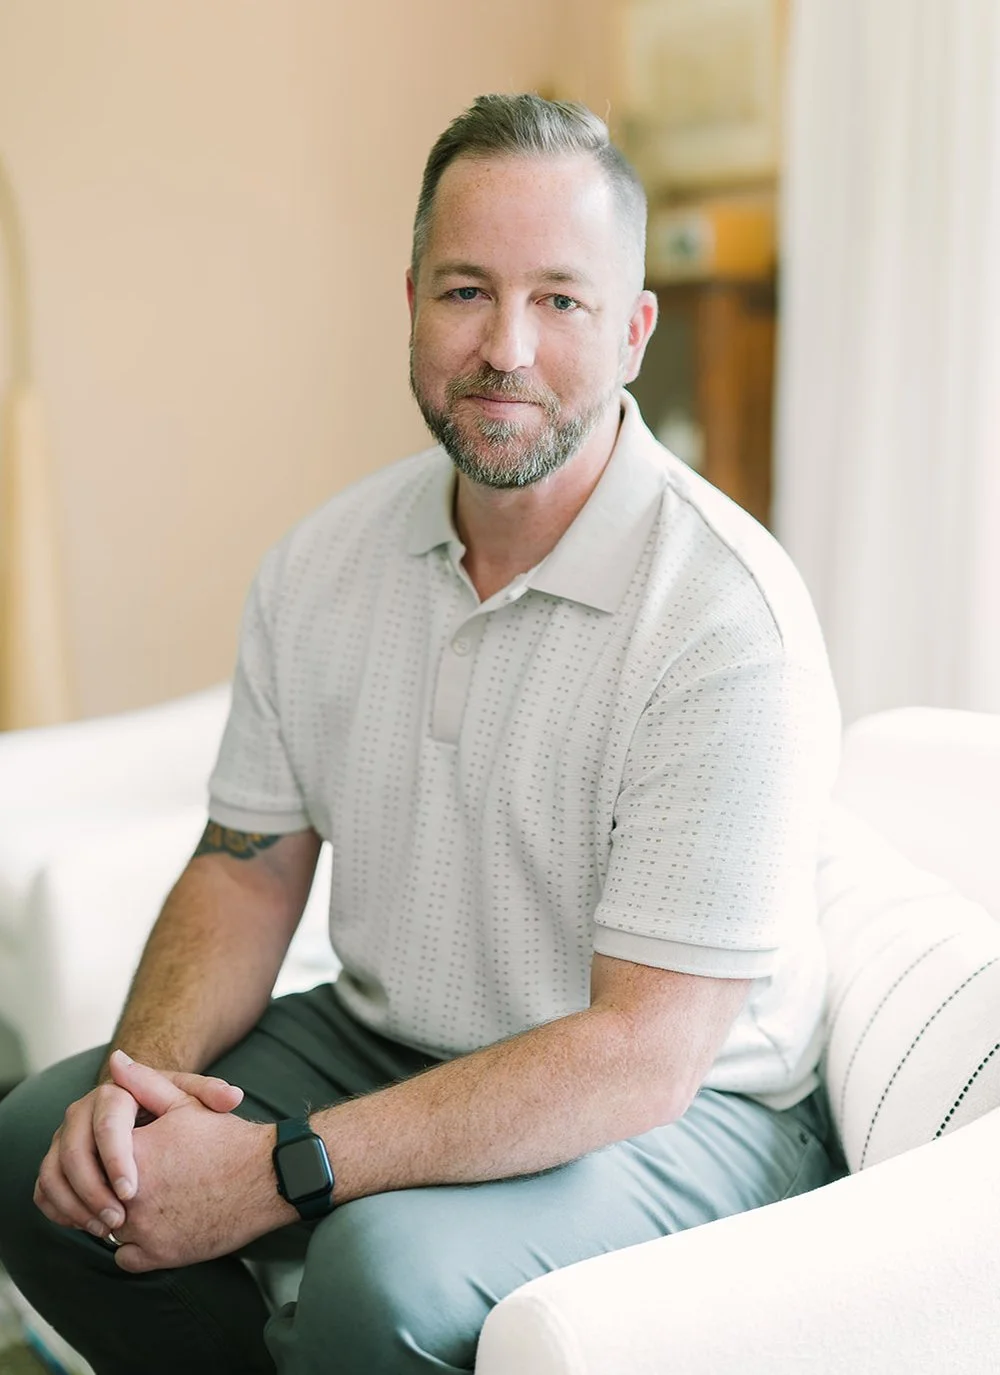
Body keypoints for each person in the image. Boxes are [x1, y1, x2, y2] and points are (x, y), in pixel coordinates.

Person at [0, 93, 843, 1374]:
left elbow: (638, 1054)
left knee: (379, 1275)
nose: (504, 345)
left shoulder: (725, 621)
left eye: (559, 299)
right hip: (387, 1034)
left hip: (686, 1110)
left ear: (632, 329)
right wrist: (140, 1090)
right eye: (465, 290)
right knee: (44, 1152)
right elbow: (245, 865)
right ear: (408, 302)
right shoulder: (319, 566)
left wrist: (282, 1169)